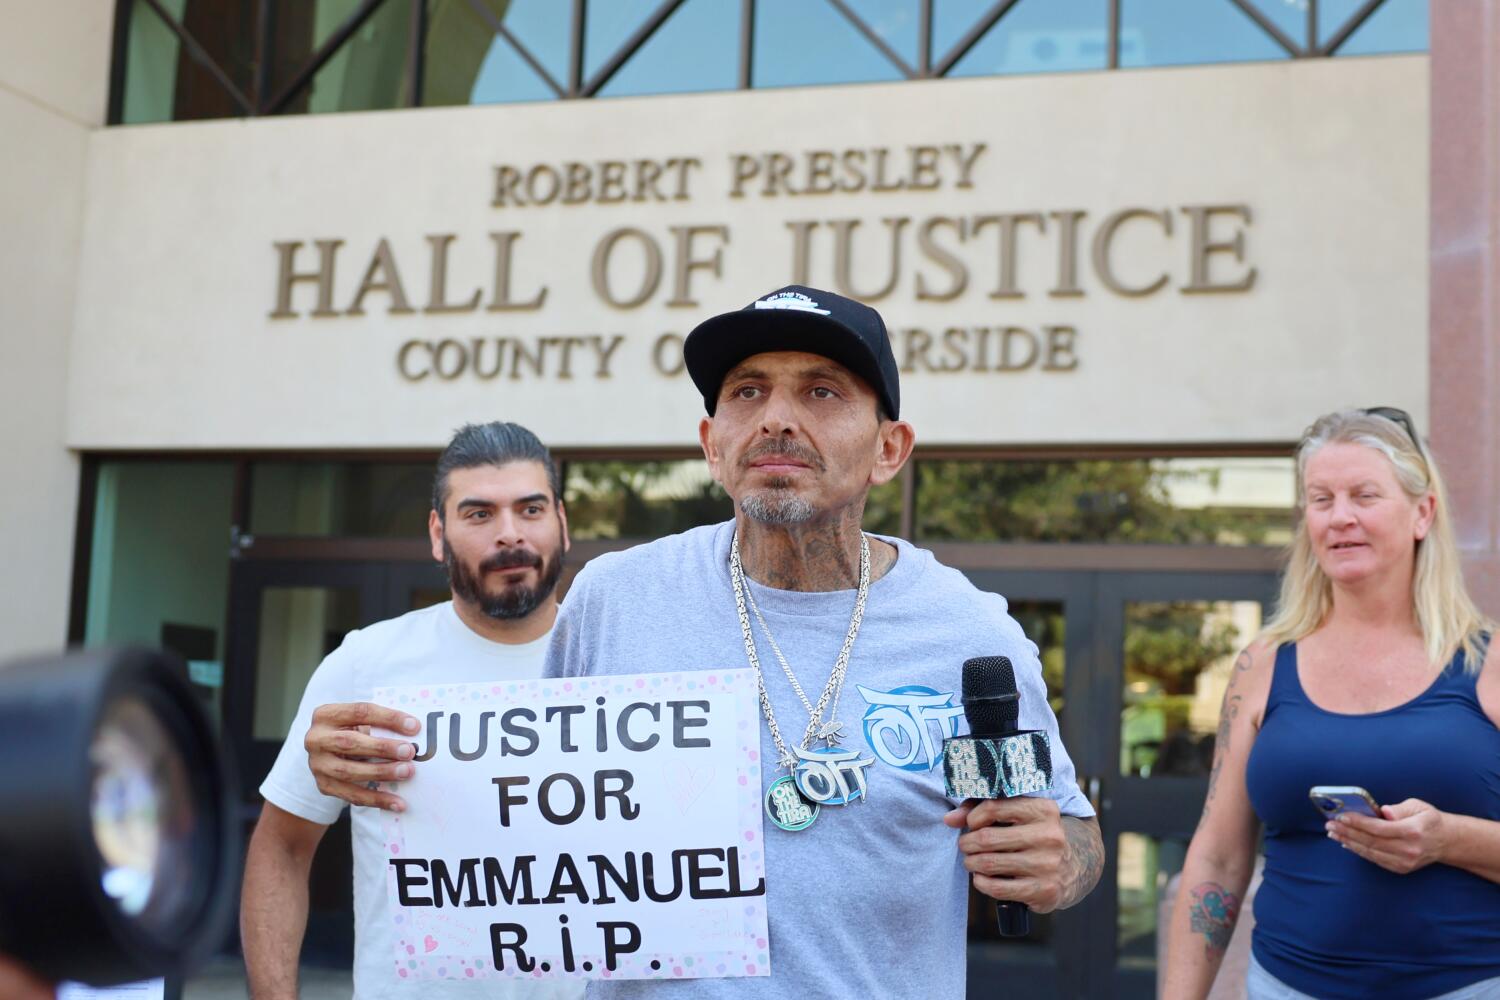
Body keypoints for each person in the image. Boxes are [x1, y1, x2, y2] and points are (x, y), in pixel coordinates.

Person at [544, 284, 1103, 998]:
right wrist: (382, 765)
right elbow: (524, 808)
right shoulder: (614, 601)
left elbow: (1075, 831)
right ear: (711, 445)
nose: (776, 419)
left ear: (889, 448)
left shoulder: (969, 633)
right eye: (747, 392)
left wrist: (1060, 867)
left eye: (822, 392)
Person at [1162, 408, 1500, 1000]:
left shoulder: (1487, 659)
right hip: (1285, 987)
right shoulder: (1263, 664)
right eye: (1321, 499)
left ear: (1422, 512)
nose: (1340, 516)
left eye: (1364, 495)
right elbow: (1216, 858)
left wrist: (1450, 839)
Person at [241, 422, 582, 1000]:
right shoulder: (367, 666)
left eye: (530, 509)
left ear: (562, 523)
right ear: (437, 533)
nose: (509, 534)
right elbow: (281, 846)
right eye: (478, 514)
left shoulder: (623, 662)